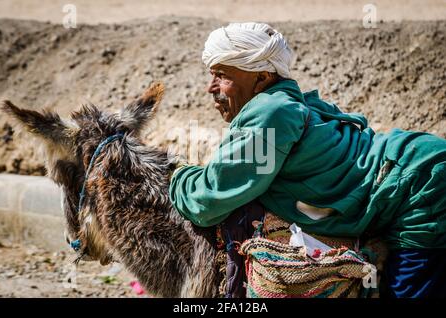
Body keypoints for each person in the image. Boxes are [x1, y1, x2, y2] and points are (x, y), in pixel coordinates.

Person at [169, 22, 446, 298]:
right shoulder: (284, 103)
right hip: (418, 169)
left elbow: (209, 200)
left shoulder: (269, 112)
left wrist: (178, 176)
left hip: (420, 186)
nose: (210, 87)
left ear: (262, 78)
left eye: (221, 75)